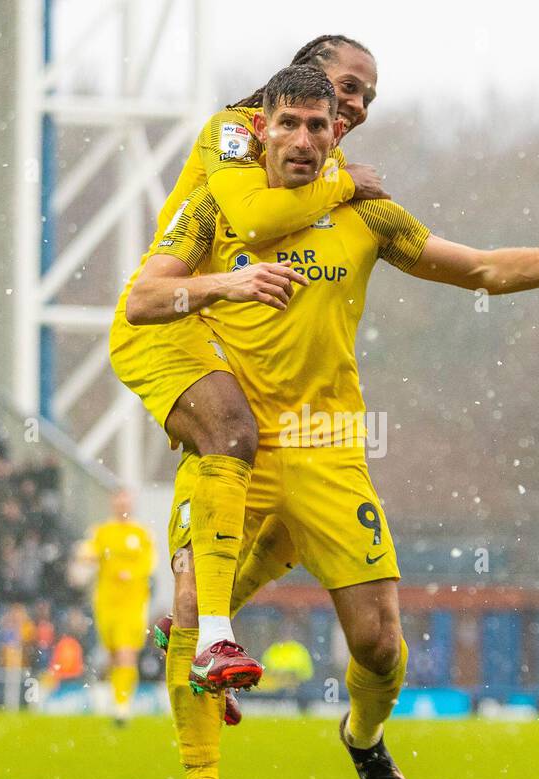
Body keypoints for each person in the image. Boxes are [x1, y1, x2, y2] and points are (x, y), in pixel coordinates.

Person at [127, 65, 539, 779]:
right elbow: (143, 298)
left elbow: (478, 268)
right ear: (259, 128)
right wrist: (221, 290)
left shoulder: (367, 214)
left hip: (329, 451)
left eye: (321, 125)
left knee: (379, 643)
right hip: (234, 445)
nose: (306, 138)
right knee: (188, 615)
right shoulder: (214, 209)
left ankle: (364, 740)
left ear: (336, 132)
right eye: (291, 124)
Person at [109, 35, 389, 694]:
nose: (358, 104)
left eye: (367, 97)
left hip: (225, 335)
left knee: (288, 516)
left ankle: (197, 623)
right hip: (171, 321)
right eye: (349, 85)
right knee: (231, 432)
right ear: (303, 76)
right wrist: (345, 186)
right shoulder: (236, 132)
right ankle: (208, 642)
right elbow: (256, 219)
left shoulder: (318, 153)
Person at [80, 488, 155, 724]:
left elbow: (149, 563)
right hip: (106, 602)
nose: (122, 505)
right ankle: (118, 700)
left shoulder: (141, 534)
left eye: (126, 501)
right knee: (113, 654)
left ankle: (123, 706)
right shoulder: (103, 532)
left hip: (132, 603)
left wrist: (130, 572)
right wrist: (88, 554)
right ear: (113, 504)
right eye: (119, 501)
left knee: (126, 652)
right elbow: (86, 553)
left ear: (130, 505)